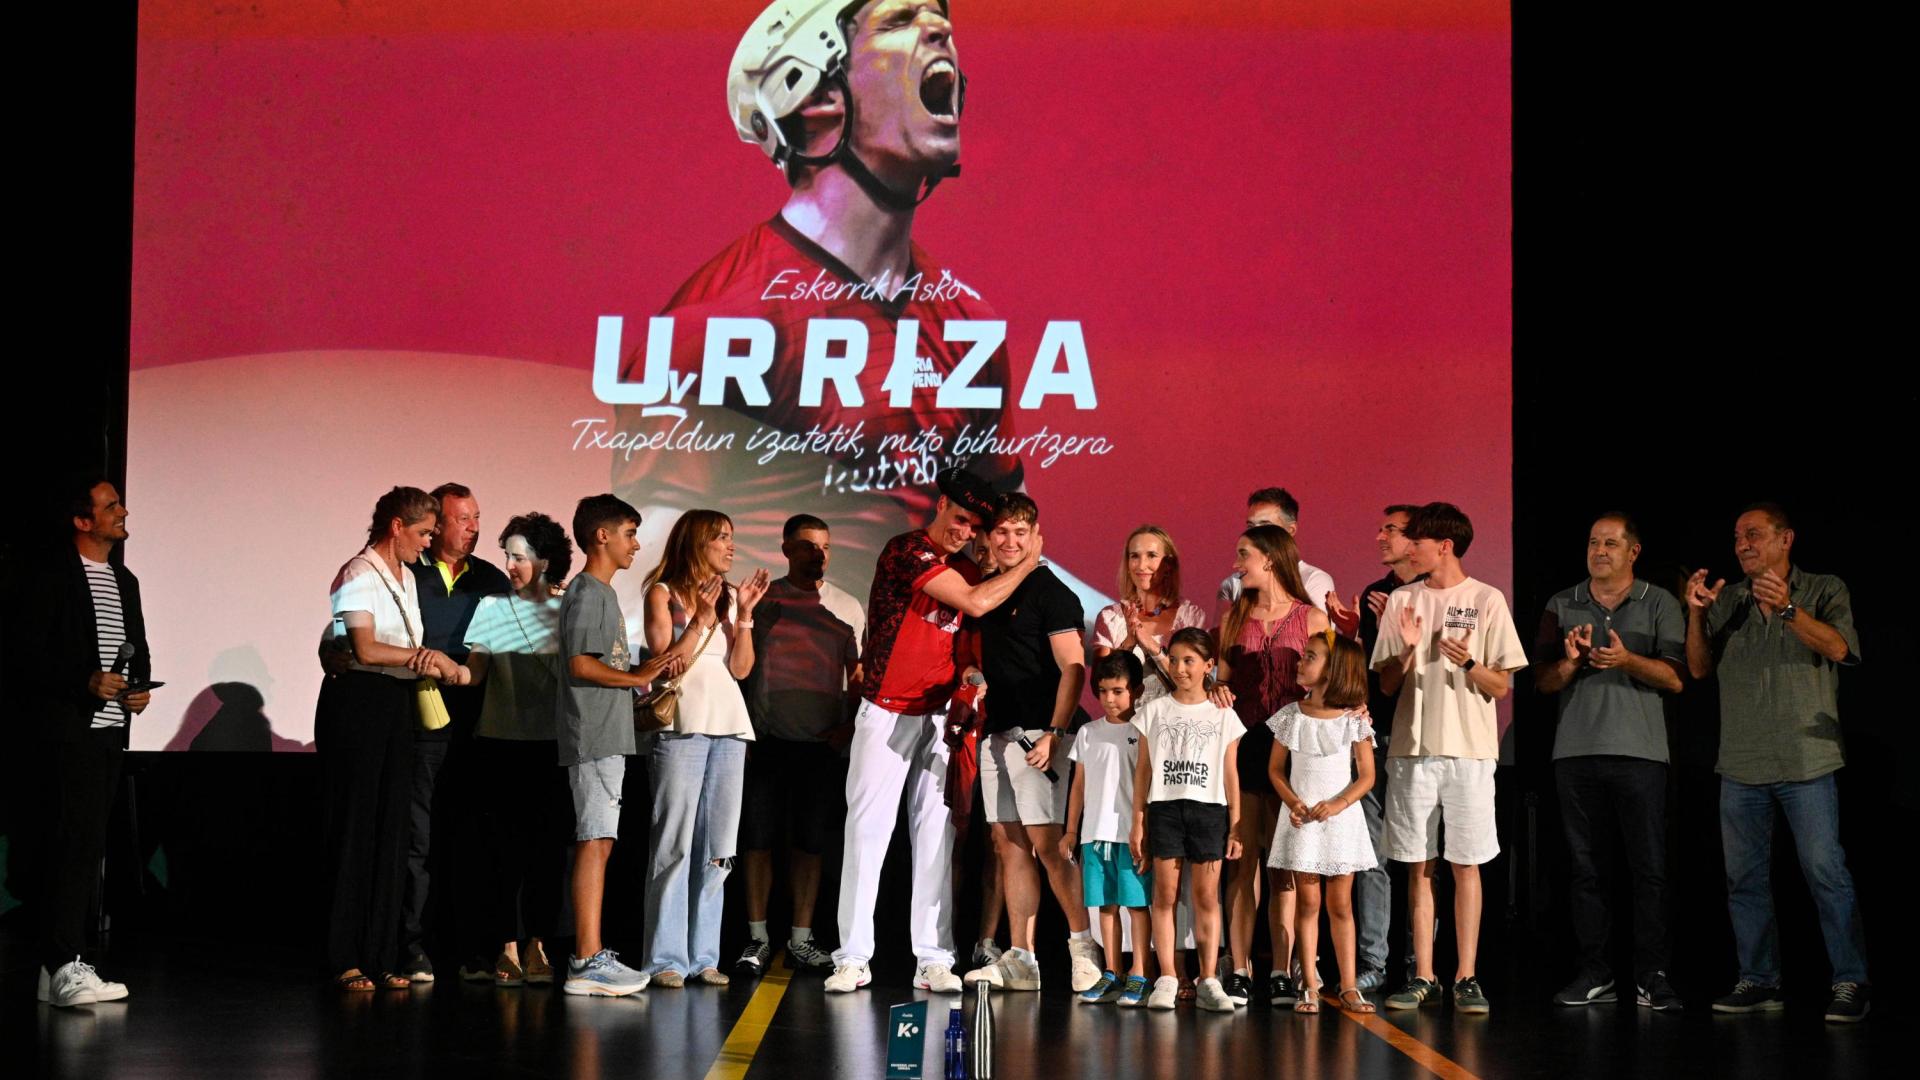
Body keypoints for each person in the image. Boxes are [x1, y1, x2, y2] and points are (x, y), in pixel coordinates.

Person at [611, 0, 1023, 608]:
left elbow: (1006, 535)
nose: (940, 30)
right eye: (900, 19)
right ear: (815, 93)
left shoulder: (970, 320)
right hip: (782, 669)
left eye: (940, 19)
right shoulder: (721, 320)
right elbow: (649, 562)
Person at [826, 468, 1042, 995]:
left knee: (937, 837)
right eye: (961, 519)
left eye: (974, 527)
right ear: (941, 504)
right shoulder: (907, 551)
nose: (964, 531)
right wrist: (1030, 562)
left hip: (943, 716)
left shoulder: (969, 566)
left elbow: (966, 639)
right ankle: (853, 957)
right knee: (867, 833)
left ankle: (933, 957)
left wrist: (970, 675)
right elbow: (973, 603)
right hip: (886, 710)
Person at [1685, 503, 1869, 1023]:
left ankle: (1851, 980)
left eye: (1754, 535)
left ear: (1786, 539)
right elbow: (1698, 669)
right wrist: (1697, 613)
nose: (1743, 544)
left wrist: (1789, 611)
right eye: (1737, 537)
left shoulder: (1824, 588)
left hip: (1807, 761)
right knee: (1743, 877)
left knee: (1824, 871)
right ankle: (1759, 979)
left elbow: (1840, 649)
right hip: (1741, 762)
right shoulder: (1731, 601)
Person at [1373, 502, 1527, 1015]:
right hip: (1412, 750)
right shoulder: (1401, 600)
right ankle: (1423, 974)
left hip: (1469, 751)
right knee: (1417, 865)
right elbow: (1388, 684)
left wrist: (1470, 663)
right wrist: (1409, 651)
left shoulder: (1486, 599)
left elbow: (1501, 683)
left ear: (1444, 545)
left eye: (1415, 540)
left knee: (1466, 862)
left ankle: (1466, 975)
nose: (1406, 547)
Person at [1534, 513, 1685, 1012]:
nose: (1600, 550)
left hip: (1641, 754)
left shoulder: (1659, 601)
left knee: (1649, 870)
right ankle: (1596, 973)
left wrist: (1627, 661)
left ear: (1633, 551)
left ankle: (1653, 975)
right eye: (1593, 541)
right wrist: (1573, 662)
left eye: (1611, 543)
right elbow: (1543, 682)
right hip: (1575, 755)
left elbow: (1677, 679)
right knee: (1585, 870)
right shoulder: (1562, 602)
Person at [320, 486, 465, 992]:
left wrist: (423, 660)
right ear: (396, 526)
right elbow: (363, 647)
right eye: (424, 532)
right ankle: (345, 957)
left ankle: (382, 955)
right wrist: (429, 659)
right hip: (359, 704)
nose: (428, 544)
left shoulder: (404, 576)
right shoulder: (358, 572)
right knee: (358, 830)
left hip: (395, 705)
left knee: (392, 832)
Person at [15, 477, 152, 1007]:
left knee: (86, 845)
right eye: (110, 505)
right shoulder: (49, 577)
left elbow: (134, 647)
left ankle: (60, 969)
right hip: (62, 732)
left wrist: (138, 688)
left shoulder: (125, 579)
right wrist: (84, 681)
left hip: (107, 734)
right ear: (82, 520)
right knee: (64, 846)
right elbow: (24, 657)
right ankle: (60, 962)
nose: (122, 510)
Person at [962, 494, 1100, 994]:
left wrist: (1055, 732)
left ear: (1036, 535)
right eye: (1002, 532)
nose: (1011, 541)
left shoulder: (1053, 593)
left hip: (1040, 737)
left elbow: (1074, 667)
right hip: (997, 735)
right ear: (988, 538)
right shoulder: (989, 591)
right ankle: (1022, 957)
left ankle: (1084, 949)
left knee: (1049, 844)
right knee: (1008, 844)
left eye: (1021, 532)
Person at [558, 494, 684, 996]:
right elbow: (581, 665)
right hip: (593, 736)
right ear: (602, 536)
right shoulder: (589, 592)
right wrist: (637, 676)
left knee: (602, 840)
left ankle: (591, 954)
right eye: (630, 533)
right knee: (595, 841)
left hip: (607, 734)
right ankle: (586, 959)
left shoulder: (604, 593)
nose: (637, 544)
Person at [640, 511, 772, 987]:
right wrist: (699, 619)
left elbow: (740, 669)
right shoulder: (663, 593)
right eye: (721, 538)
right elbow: (664, 662)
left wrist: (746, 616)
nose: (730, 546)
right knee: (674, 842)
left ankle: (705, 957)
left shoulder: (730, 596)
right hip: (682, 725)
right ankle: (666, 959)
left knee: (718, 849)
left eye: (732, 538)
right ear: (697, 541)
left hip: (729, 727)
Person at [735, 514, 866, 976]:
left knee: (810, 846)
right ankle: (756, 939)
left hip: (819, 747)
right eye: (809, 546)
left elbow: (859, 676)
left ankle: (801, 940)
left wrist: (846, 729)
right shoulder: (763, 601)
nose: (820, 554)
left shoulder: (847, 606)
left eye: (826, 546)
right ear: (787, 548)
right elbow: (741, 668)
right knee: (758, 842)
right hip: (767, 742)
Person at [401, 483, 511, 984]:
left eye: (477, 518)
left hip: (476, 720)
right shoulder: (406, 568)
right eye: (463, 519)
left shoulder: (490, 578)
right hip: (416, 716)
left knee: (472, 836)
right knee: (418, 837)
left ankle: (472, 948)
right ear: (436, 523)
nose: (474, 527)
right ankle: (411, 946)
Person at [1216, 524, 1329, 1008]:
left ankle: (1281, 969)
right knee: (1242, 862)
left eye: (1245, 554)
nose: (1238, 563)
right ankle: (1240, 967)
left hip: (1293, 748)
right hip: (1244, 745)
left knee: (1284, 865)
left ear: (1271, 558)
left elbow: (1330, 681)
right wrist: (1216, 689)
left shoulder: (1312, 616)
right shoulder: (1233, 617)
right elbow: (1217, 681)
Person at [461, 512, 575, 986]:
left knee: (548, 854)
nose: (508, 564)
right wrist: (437, 668)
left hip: (553, 746)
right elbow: (475, 672)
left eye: (519, 556)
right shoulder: (491, 607)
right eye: (506, 555)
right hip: (499, 743)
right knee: (502, 853)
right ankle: (505, 946)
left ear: (545, 561)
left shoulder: (570, 609)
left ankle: (540, 946)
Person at [1131, 628, 1244, 1012]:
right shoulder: (1154, 711)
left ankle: (1209, 978)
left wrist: (1236, 824)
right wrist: (1138, 821)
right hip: (1165, 807)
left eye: (1190, 661)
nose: (1180, 669)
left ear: (1208, 666)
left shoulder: (1224, 714)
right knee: (1164, 895)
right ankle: (1166, 976)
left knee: (1206, 897)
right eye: (1175, 660)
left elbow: (1231, 773)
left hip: (1209, 810)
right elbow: (1143, 770)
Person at [1266, 630, 1378, 1016]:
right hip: (1302, 821)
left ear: (1335, 669)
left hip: (1340, 820)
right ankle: (1309, 985)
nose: (1301, 662)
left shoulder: (1353, 721)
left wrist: (1338, 803)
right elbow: (1276, 770)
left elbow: (1366, 775)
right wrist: (1294, 802)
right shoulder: (1291, 715)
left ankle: (1348, 985)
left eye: (1310, 656)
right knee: (1307, 902)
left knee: (1341, 904)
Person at [1350, 504, 1422, 990]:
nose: (1380, 537)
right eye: (1380, 528)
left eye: (1391, 530)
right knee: (1372, 854)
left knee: (1419, 855)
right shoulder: (1376, 595)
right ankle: (1373, 962)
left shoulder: (1436, 593)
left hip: (1423, 736)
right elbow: (1378, 673)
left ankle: (1423, 964)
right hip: (1377, 733)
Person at [1063, 652, 1153, 1007]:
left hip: (1130, 835)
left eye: (1117, 691)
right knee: (1106, 906)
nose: (1109, 700)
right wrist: (1071, 831)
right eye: (1102, 692)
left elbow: (1146, 785)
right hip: (1094, 835)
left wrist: (1141, 827)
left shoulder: (1143, 730)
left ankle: (1140, 972)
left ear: (1136, 690)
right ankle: (1112, 971)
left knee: (1137, 905)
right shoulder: (1088, 732)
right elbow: (1079, 785)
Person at [1090, 526, 1208, 707]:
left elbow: (1197, 686)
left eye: (1151, 555)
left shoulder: (1192, 617)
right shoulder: (1111, 618)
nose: (1141, 565)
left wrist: (1152, 646)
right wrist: (1129, 642)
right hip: (1127, 728)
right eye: (1134, 556)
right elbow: (1099, 687)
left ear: (1168, 564)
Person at [1218, 488, 1338, 615]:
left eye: (1265, 526)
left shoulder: (1313, 580)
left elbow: (1320, 632)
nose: (1255, 534)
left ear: (1290, 530)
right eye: (1250, 527)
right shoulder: (1234, 584)